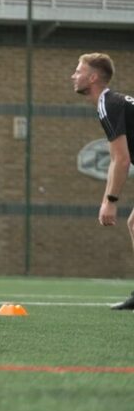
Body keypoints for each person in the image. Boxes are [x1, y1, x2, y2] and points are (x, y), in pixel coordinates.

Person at [71, 53, 134, 311]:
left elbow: (121, 160)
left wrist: (110, 202)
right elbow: (116, 160)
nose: (73, 75)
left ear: (93, 77)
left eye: (78, 71)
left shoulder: (108, 103)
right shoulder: (111, 102)